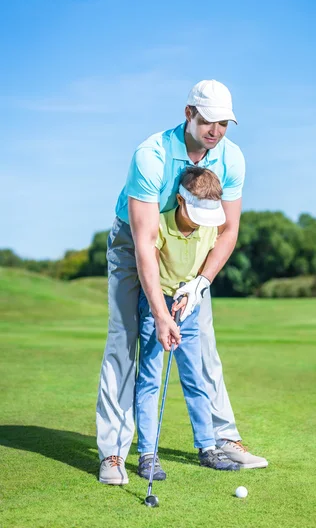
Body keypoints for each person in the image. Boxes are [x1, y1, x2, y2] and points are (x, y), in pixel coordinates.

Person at [97, 79, 268, 486]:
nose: (216, 131)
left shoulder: (232, 158)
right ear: (189, 113)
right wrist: (160, 313)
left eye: (224, 123)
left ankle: (221, 438)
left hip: (194, 249)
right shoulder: (151, 156)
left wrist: (201, 283)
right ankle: (115, 453)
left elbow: (227, 231)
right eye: (209, 120)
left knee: (202, 344)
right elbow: (145, 243)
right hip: (135, 241)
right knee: (125, 340)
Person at [136, 167, 240, 479]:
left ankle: (207, 447)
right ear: (180, 200)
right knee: (151, 379)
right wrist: (162, 314)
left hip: (189, 305)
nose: (201, 222)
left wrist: (194, 289)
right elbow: (150, 270)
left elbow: (213, 257)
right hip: (156, 304)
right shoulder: (161, 224)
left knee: (195, 377)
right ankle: (147, 454)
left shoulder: (210, 226)